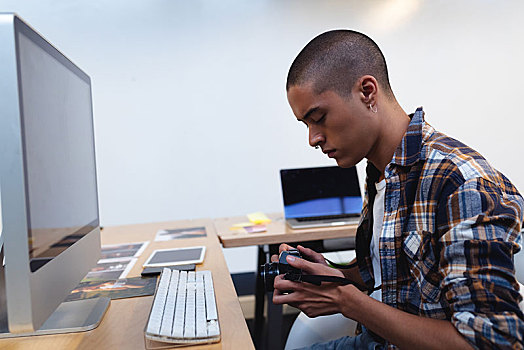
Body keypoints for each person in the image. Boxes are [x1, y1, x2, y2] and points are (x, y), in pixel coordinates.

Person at [272, 29, 524, 349]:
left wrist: (347, 301)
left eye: (319, 118)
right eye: (305, 125)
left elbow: (492, 342)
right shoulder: (380, 169)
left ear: (367, 92)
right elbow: (397, 274)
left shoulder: (460, 184)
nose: (313, 138)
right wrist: (334, 276)